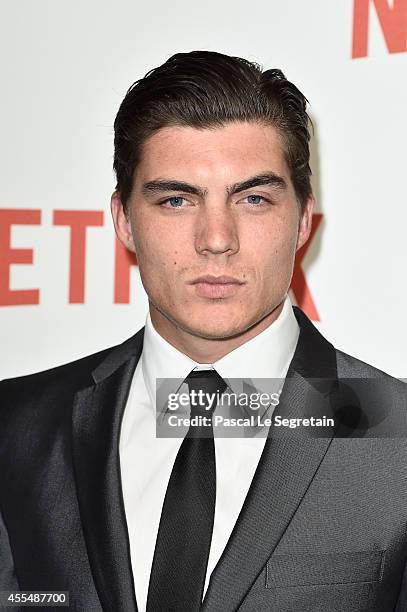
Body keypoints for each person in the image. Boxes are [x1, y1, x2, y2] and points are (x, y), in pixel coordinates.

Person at [1, 50, 406, 612]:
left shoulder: (400, 437)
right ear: (123, 220)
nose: (217, 239)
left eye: (254, 199)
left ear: (303, 219)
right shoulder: (16, 426)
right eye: (176, 200)